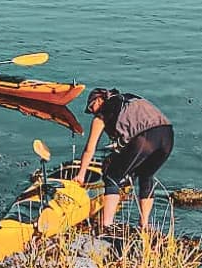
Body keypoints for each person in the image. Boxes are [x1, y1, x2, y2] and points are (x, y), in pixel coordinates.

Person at [74, 87, 174, 233]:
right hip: (167, 135)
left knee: (112, 176)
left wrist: (81, 174)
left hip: (145, 137)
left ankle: (106, 226)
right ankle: (144, 225)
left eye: (91, 106)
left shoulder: (102, 115)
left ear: (100, 100)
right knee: (146, 175)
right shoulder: (130, 98)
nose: (92, 112)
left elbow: (90, 149)